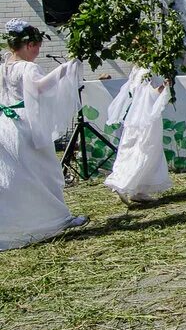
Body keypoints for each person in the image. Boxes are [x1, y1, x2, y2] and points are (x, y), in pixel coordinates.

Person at [0, 19, 87, 250]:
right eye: (37, 46)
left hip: (4, 126)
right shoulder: (28, 68)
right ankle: (56, 219)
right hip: (24, 125)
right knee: (44, 172)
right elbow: (39, 88)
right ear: (28, 45)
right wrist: (65, 70)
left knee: (15, 178)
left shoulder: (4, 65)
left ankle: (13, 225)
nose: (38, 51)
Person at [104, 66, 172, 204]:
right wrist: (164, 86)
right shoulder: (146, 72)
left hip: (136, 118)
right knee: (145, 151)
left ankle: (139, 190)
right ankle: (124, 184)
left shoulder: (136, 70)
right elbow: (149, 93)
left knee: (134, 150)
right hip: (147, 119)